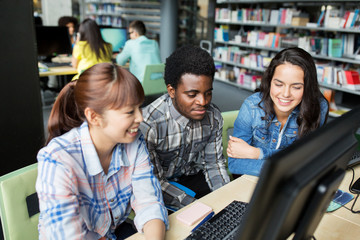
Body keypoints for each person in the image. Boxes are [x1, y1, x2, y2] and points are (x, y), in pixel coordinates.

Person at [36, 63, 168, 239]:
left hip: (112, 232)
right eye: (130, 111)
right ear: (94, 116)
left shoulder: (134, 141)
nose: (140, 118)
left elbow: (149, 203)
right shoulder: (57, 160)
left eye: (139, 107)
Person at [139, 45, 230, 210]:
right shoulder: (149, 124)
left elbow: (213, 164)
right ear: (172, 91)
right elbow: (154, 182)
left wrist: (226, 198)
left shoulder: (213, 116)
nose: (203, 102)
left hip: (191, 177)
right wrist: (194, 207)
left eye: (208, 92)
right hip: (159, 186)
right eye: (192, 95)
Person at [227, 47, 329, 177]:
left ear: (308, 87)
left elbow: (309, 160)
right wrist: (289, 166)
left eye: (296, 87)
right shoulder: (251, 107)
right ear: (270, 82)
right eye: (279, 84)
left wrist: (257, 154)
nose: (285, 94)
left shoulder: (318, 107)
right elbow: (236, 164)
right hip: (251, 181)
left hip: (290, 185)